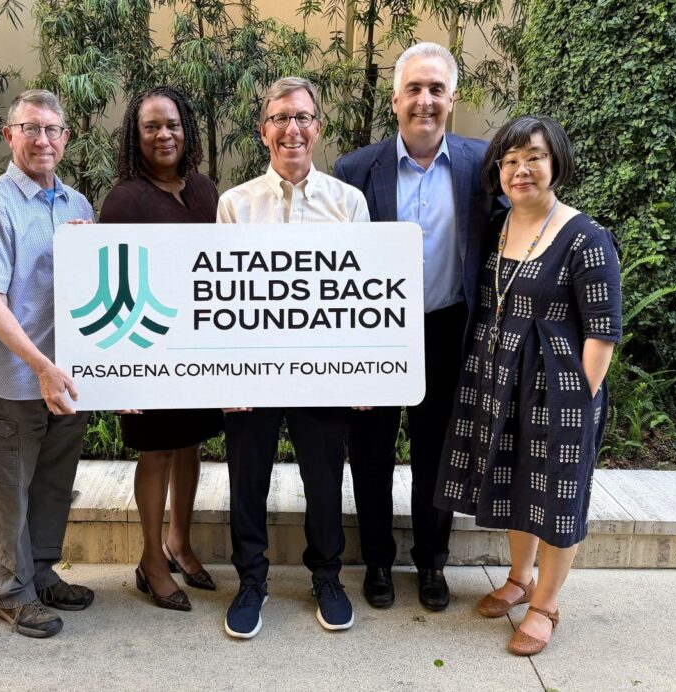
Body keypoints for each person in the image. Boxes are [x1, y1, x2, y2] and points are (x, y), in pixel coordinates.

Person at [434, 115, 621, 655]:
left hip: (560, 393)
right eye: (511, 160)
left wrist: (578, 399)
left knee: (559, 497)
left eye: (534, 158)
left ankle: (545, 604)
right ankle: (518, 578)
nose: (521, 170)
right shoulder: (500, 226)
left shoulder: (585, 237)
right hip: (501, 385)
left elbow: (603, 332)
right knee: (518, 486)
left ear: (554, 162)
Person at [333, 42, 498, 612]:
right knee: (371, 451)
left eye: (435, 89)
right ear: (395, 98)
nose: (424, 100)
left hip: (450, 329)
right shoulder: (355, 170)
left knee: (438, 453)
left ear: (452, 99)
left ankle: (432, 563)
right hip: (376, 332)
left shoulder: (484, 166)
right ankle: (377, 562)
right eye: (413, 89)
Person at [217, 77, 370, 639]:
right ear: (263, 132)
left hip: (323, 373)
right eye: (280, 118)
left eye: (303, 117)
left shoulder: (348, 203)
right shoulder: (234, 204)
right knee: (247, 479)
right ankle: (251, 581)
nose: (292, 129)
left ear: (319, 128)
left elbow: (362, 294)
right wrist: (227, 382)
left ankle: (326, 577)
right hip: (252, 374)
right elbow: (221, 294)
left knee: (325, 481)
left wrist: (362, 371)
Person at [0, 90, 95, 640]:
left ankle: (40, 573)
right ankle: (11, 594)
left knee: (52, 486)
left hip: (72, 378)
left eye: (53, 130)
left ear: (65, 138)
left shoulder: (79, 206)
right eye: (31, 128)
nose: (43, 140)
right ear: (8, 135)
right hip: (19, 379)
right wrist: (41, 366)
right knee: (10, 492)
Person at [99, 86, 225, 611]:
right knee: (157, 452)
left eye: (171, 123)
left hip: (196, 350)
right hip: (146, 348)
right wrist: (118, 371)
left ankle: (179, 541)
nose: (163, 134)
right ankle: (152, 560)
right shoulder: (124, 198)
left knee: (191, 444)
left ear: (186, 128)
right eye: (151, 126)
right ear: (136, 135)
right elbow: (108, 280)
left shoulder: (204, 190)